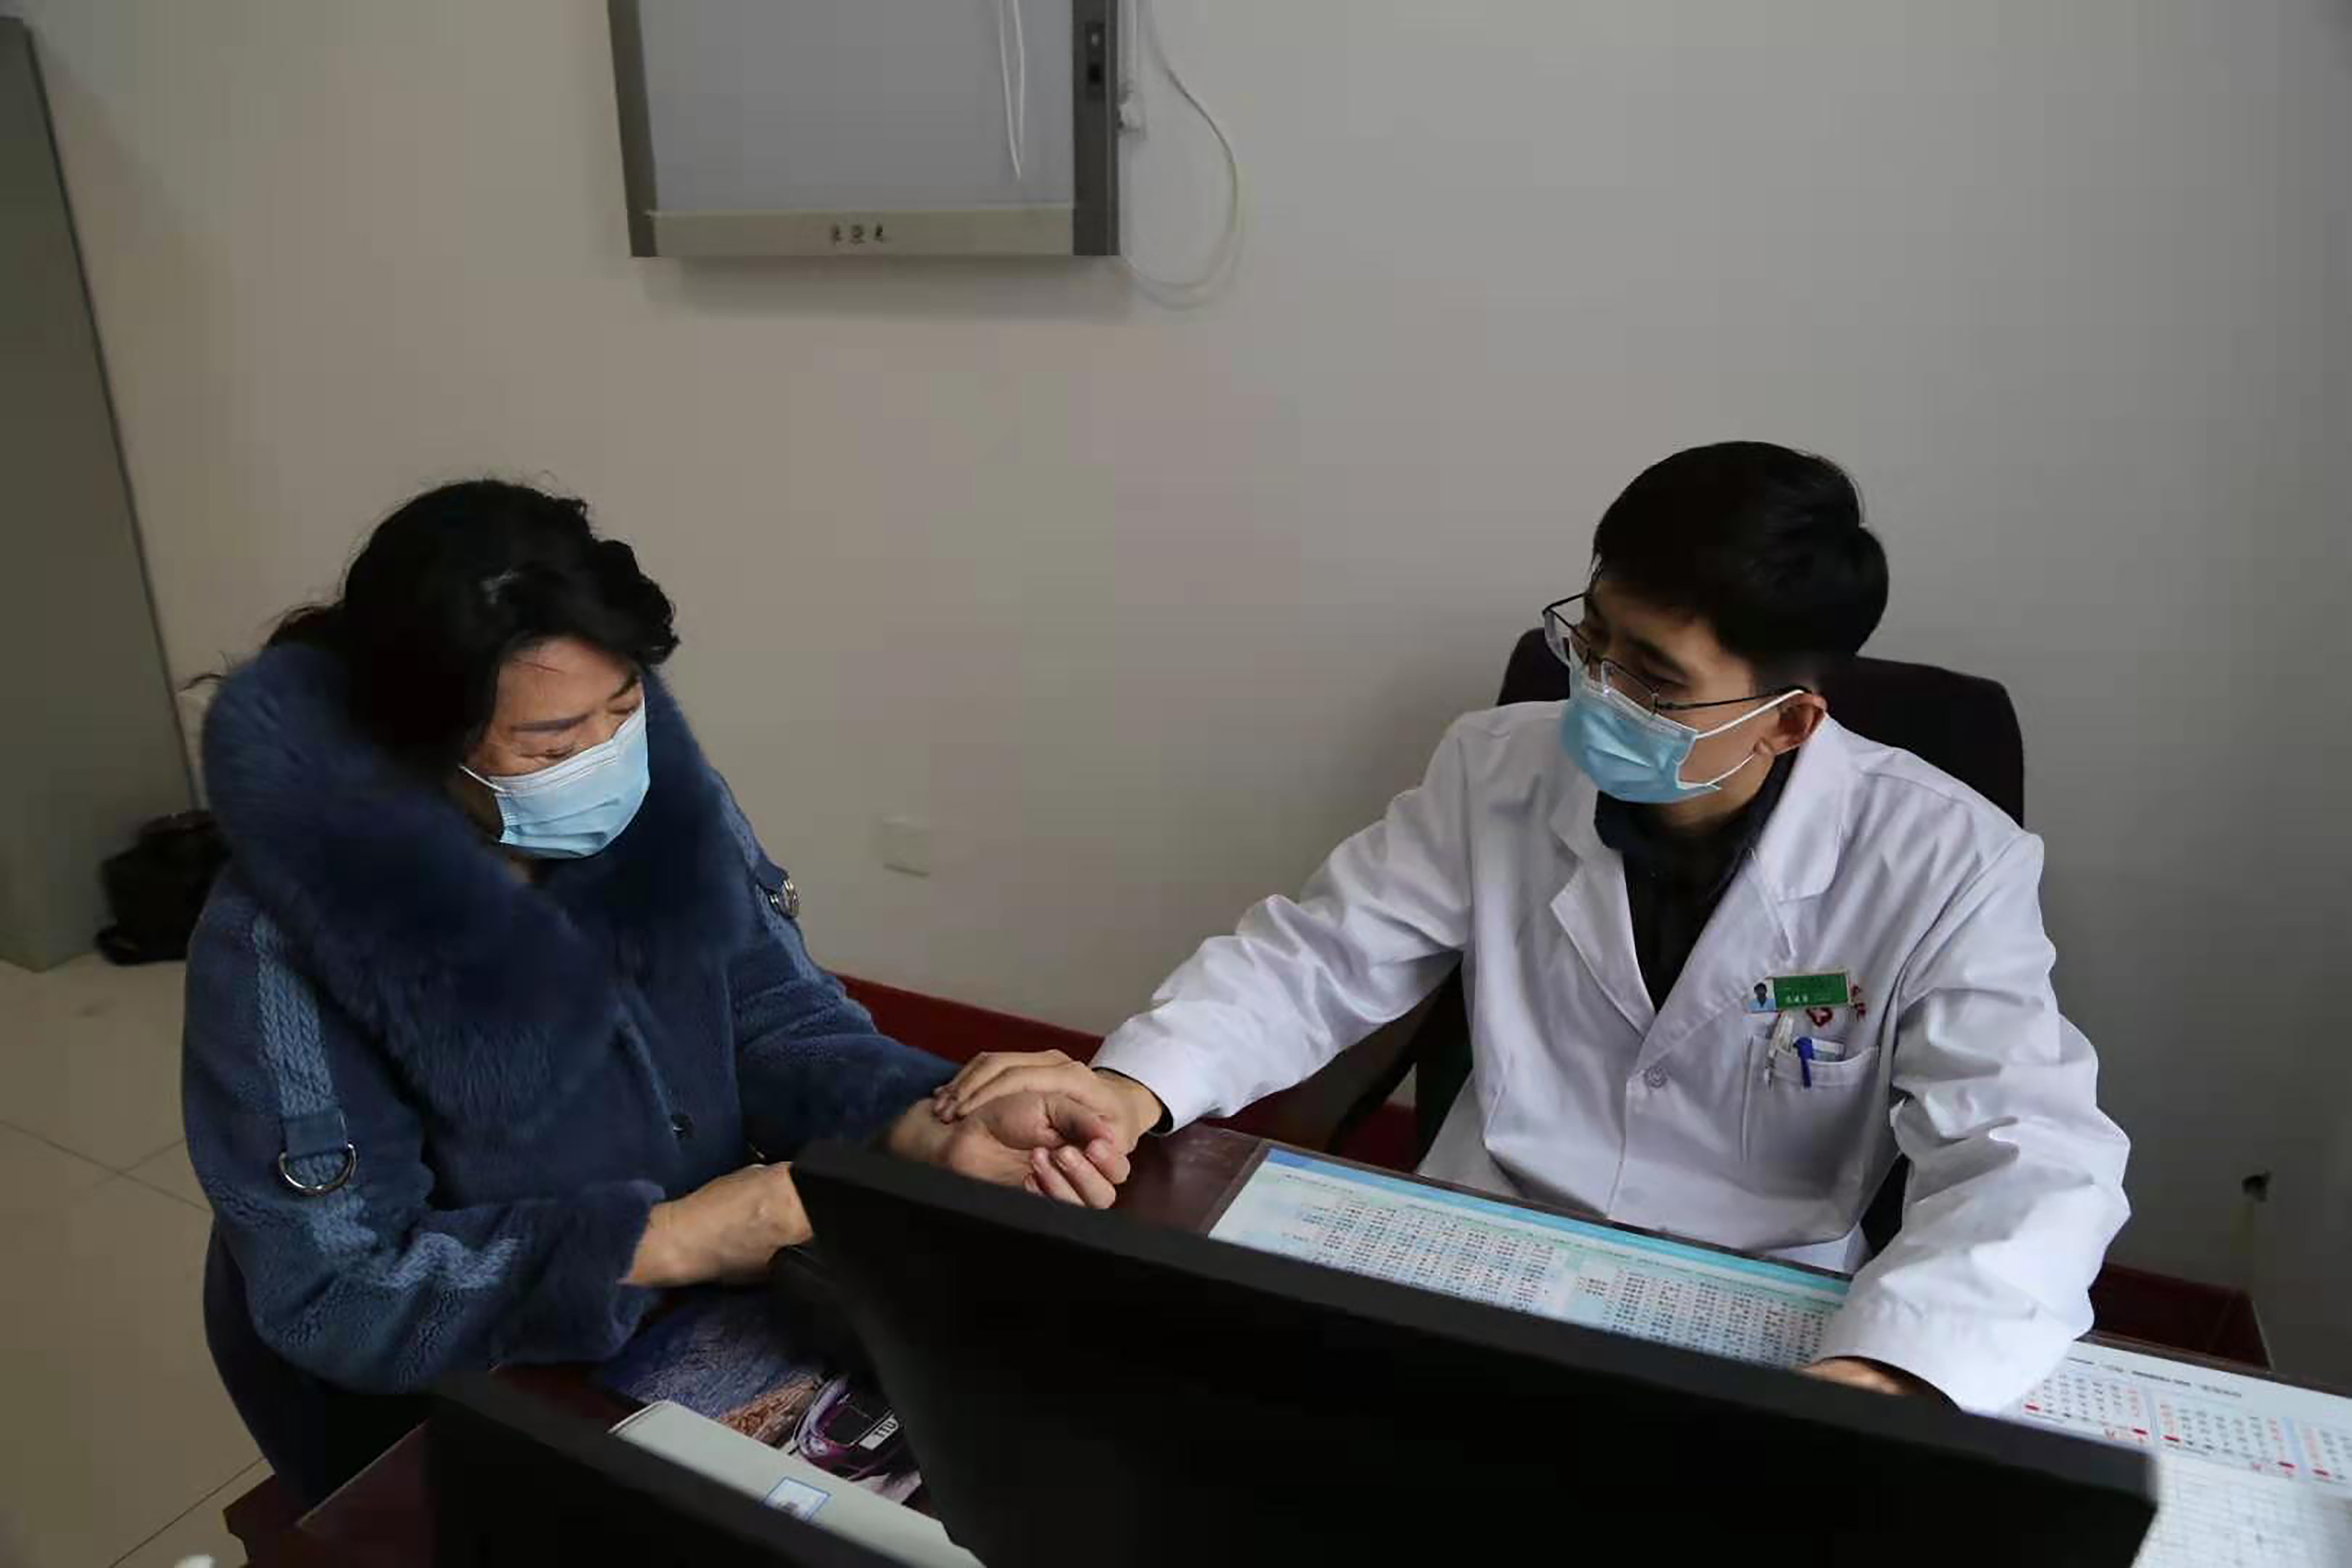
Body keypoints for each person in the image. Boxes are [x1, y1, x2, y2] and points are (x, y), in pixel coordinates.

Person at [935, 442, 2130, 1412]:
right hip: (1476, 1246)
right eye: (1592, 637)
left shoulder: (1946, 858)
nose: (1595, 689)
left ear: (1790, 722)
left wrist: (1893, 1375)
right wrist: (1140, 1085)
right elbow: (1321, 956)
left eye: (1653, 679)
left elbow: (2031, 1150)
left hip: (1750, 1305)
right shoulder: (1495, 765)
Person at [184, 479, 1126, 1502]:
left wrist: (924, 1125)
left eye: (625, 709)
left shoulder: (659, 793)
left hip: (681, 1328)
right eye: (551, 747)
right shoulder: (283, 937)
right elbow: (341, 1289)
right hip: (431, 1400)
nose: (603, 763)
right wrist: (675, 1239)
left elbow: (772, 1015)